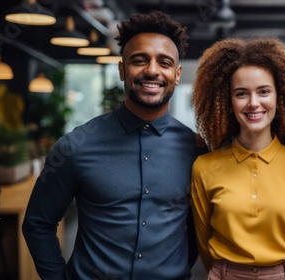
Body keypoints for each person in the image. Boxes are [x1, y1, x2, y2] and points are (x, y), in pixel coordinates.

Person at [22, 11, 206, 279]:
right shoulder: (76, 146)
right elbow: (38, 223)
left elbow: (197, 228)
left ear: (177, 75)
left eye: (164, 62)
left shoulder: (197, 150)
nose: (152, 70)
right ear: (122, 70)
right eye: (139, 60)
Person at [190, 37, 285, 280]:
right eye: (241, 93)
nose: (254, 103)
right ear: (228, 102)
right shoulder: (204, 168)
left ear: (278, 98)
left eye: (264, 91)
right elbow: (204, 242)